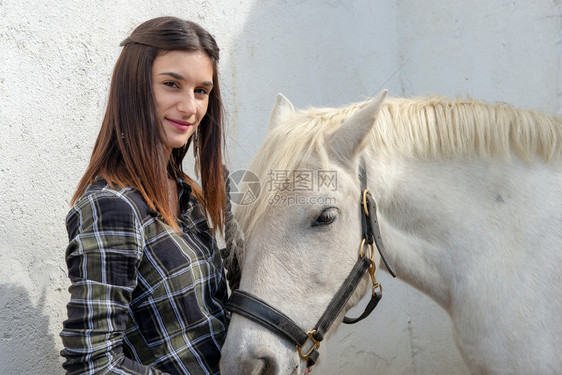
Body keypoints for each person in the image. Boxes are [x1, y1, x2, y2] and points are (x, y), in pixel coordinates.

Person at [60, 16, 229, 374]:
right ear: (134, 88)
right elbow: (93, 365)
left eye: (202, 91)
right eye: (172, 84)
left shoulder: (189, 195)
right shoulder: (112, 207)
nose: (190, 107)